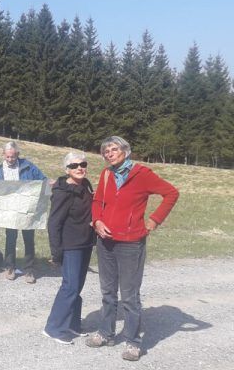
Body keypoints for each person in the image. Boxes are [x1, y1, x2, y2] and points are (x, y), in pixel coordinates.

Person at [87, 136, 179, 361]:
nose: (109, 154)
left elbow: (171, 193)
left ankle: (133, 342)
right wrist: (97, 221)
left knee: (129, 295)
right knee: (108, 292)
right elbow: (97, 201)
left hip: (131, 243)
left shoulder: (142, 174)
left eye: (113, 149)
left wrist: (154, 221)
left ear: (125, 151)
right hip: (105, 241)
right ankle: (106, 333)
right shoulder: (106, 174)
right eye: (106, 151)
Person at [42, 151, 96, 344]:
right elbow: (54, 224)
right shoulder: (62, 192)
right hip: (70, 245)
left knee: (77, 286)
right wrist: (56, 253)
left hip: (86, 242)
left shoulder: (85, 185)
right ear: (67, 170)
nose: (79, 168)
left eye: (83, 164)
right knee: (70, 286)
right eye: (74, 166)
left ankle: (72, 324)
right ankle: (54, 328)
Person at [0, 141, 47, 283]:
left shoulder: (28, 166)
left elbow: (43, 180)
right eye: (7, 156)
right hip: (9, 209)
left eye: (13, 156)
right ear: (3, 154)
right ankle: (9, 267)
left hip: (26, 208)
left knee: (28, 238)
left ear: (17, 154)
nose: (10, 159)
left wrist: (48, 189)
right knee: (10, 238)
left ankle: (29, 269)